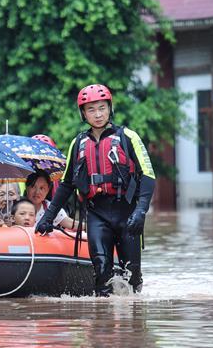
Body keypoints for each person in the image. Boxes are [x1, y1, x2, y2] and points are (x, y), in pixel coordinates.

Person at [35, 84, 155, 296]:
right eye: (91, 109)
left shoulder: (128, 137)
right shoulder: (78, 142)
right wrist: (48, 217)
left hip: (127, 212)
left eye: (102, 108)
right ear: (83, 113)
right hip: (97, 213)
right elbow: (66, 184)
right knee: (101, 269)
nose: (98, 114)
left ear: (110, 108)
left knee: (132, 273)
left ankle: (134, 317)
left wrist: (141, 211)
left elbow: (148, 175)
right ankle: (103, 324)